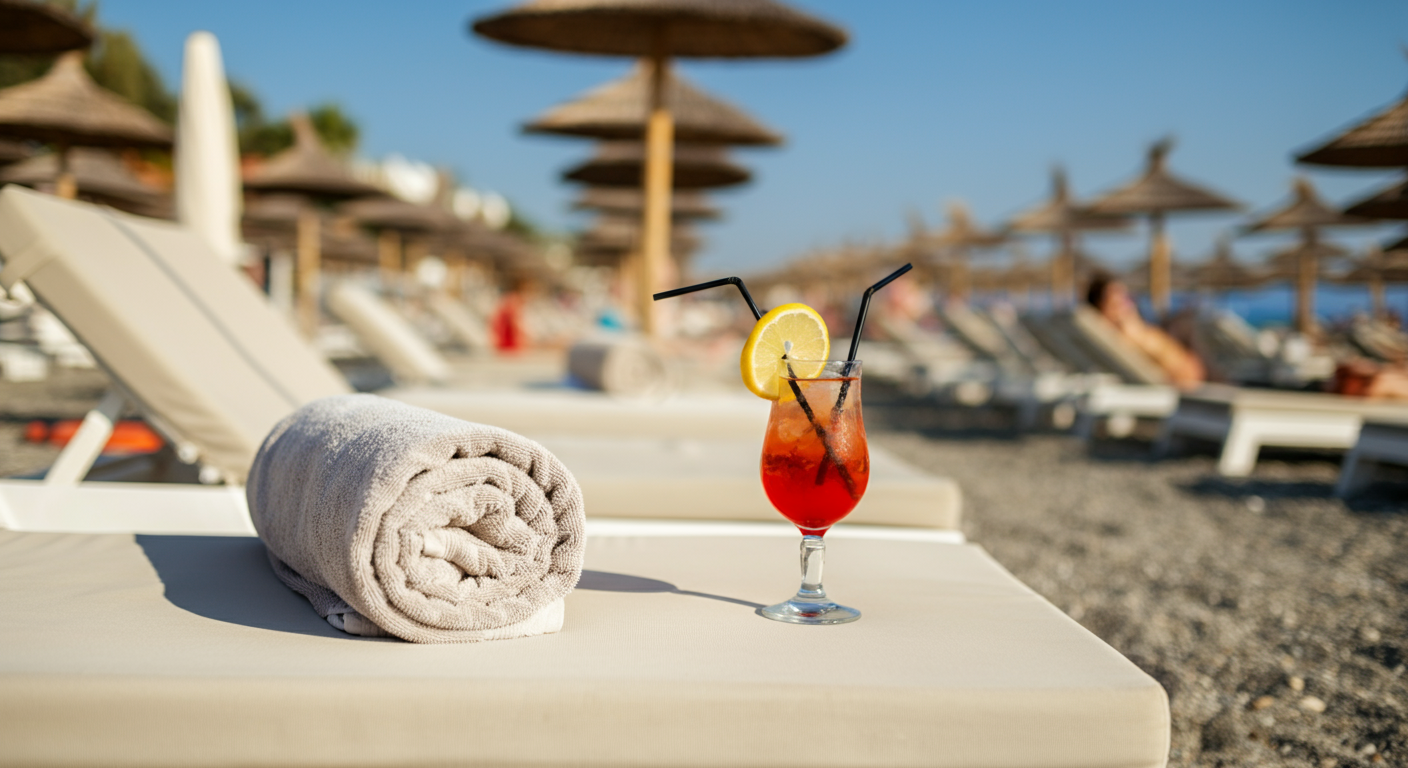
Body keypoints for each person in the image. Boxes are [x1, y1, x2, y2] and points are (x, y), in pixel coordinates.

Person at [1086, 272, 1205, 389]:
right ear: (1102, 309)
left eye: (1128, 299)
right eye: (1117, 303)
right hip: (1177, 391)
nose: (1128, 306)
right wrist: (1143, 338)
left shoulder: (1135, 334)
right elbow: (1189, 378)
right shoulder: (1127, 338)